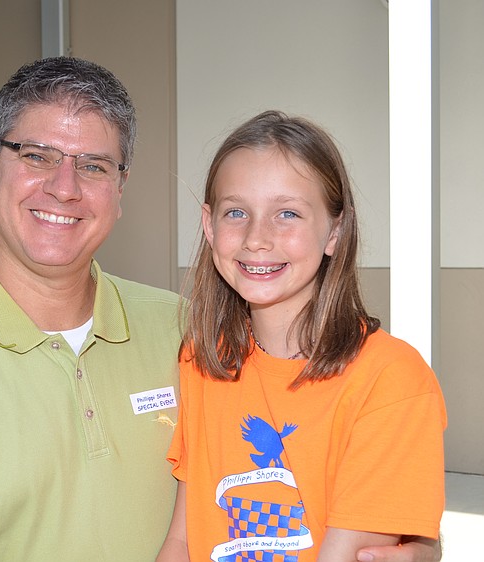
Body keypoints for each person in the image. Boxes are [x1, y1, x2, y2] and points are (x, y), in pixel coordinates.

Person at [0, 59, 441, 561]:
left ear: (120, 188)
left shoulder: (188, 335)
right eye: (37, 155)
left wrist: (416, 541)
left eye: (93, 165)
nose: (64, 187)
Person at [156, 110, 446, 562]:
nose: (256, 237)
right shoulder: (203, 360)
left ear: (335, 230)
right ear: (209, 227)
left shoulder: (391, 379)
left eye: (287, 213)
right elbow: (182, 539)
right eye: (237, 212)